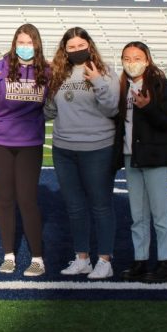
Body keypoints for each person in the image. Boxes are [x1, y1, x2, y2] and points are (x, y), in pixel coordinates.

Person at [45, 26, 120, 279]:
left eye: (81, 45)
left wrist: (97, 80)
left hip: (98, 147)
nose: (77, 50)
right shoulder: (58, 73)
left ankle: (105, 260)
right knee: (74, 207)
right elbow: (50, 112)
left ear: (89, 45)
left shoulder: (106, 72)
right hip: (64, 149)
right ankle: (82, 258)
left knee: (101, 206)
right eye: (71, 47)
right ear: (64, 50)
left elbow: (112, 109)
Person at [0, 23, 49, 277]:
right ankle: (9, 255)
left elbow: (50, 106)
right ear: (14, 43)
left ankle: (37, 258)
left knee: (28, 200)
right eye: (20, 41)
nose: (24, 46)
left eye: (29, 42)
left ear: (36, 44)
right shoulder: (0, 67)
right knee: (5, 199)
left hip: (29, 143)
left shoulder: (46, 71)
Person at [115, 41, 167, 283]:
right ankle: (140, 260)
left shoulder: (160, 84)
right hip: (132, 157)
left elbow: (166, 123)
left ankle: (166, 263)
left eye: (137, 57)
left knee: (161, 215)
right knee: (138, 216)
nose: (132, 63)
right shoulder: (123, 87)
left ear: (148, 60)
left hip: (156, 158)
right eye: (127, 58)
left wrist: (149, 107)